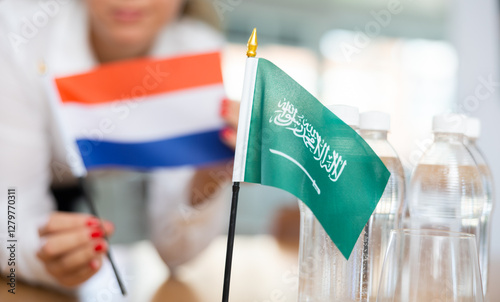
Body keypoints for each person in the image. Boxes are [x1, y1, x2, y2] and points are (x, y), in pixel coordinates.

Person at [0, 0, 239, 289]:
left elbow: (177, 254)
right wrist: (38, 257)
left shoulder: (196, 48)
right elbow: (10, 209)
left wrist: (210, 174)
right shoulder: (19, 33)